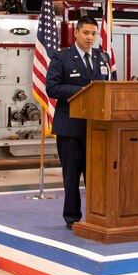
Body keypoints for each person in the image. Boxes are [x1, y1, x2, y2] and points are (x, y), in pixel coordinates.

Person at [45, 16, 113, 229]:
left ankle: (97, 215)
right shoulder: (62, 57)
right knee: (72, 176)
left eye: (93, 34)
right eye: (86, 33)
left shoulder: (102, 57)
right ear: (76, 33)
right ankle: (72, 218)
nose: (90, 38)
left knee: (96, 176)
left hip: (96, 128)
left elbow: (108, 87)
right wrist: (83, 92)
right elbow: (52, 88)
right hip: (70, 128)